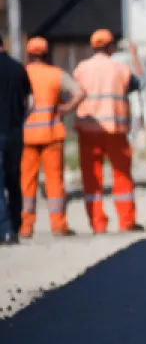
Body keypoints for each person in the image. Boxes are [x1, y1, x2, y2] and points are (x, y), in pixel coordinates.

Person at [73, 29, 146, 234]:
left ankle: (97, 224)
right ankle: (126, 221)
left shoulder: (81, 69)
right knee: (122, 176)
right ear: (111, 46)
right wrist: (134, 56)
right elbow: (141, 84)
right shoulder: (121, 68)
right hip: (115, 130)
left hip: (87, 130)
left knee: (91, 178)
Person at [19, 37, 86, 239]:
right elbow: (80, 92)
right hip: (52, 133)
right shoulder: (56, 75)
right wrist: (65, 108)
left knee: (27, 182)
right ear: (47, 54)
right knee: (54, 180)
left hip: (27, 135)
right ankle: (59, 225)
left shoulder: (23, 74)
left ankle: (25, 226)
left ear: (29, 55)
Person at [0, 38, 33, 246]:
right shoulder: (19, 69)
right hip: (15, 133)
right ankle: (16, 224)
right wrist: (21, 120)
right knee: (14, 181)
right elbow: (31, 102)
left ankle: (5, 229)